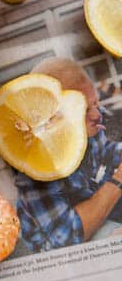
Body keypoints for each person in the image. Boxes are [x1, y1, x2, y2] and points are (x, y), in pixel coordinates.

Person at [16, 58, 122, 252]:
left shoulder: (95, 117)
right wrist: (118, 180)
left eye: (95, 102)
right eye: (83, 111)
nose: (97, 115)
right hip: (53, 248)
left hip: (93, 203)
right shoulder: (33, 169)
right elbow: (67, 236)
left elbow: (113, 152)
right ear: (50, 121)